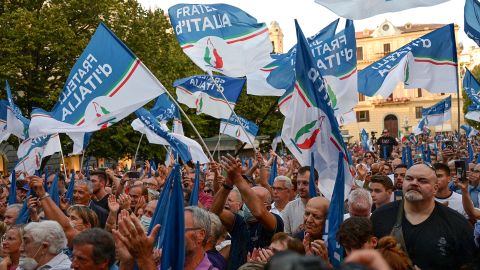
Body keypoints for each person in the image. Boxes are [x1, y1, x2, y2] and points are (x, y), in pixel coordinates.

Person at [371, 164, 477, 269]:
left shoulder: (457, 224)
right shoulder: (380, 217)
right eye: (409, 179)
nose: (414, 183)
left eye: (422, 180)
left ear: (435, 188)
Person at [281, 166, 317, 235]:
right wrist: (299, 233)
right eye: (298, 183)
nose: (300, 187)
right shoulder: (290, 207)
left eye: (305, 183)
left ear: (316, 183)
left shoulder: (327, 206)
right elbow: (286, 238)